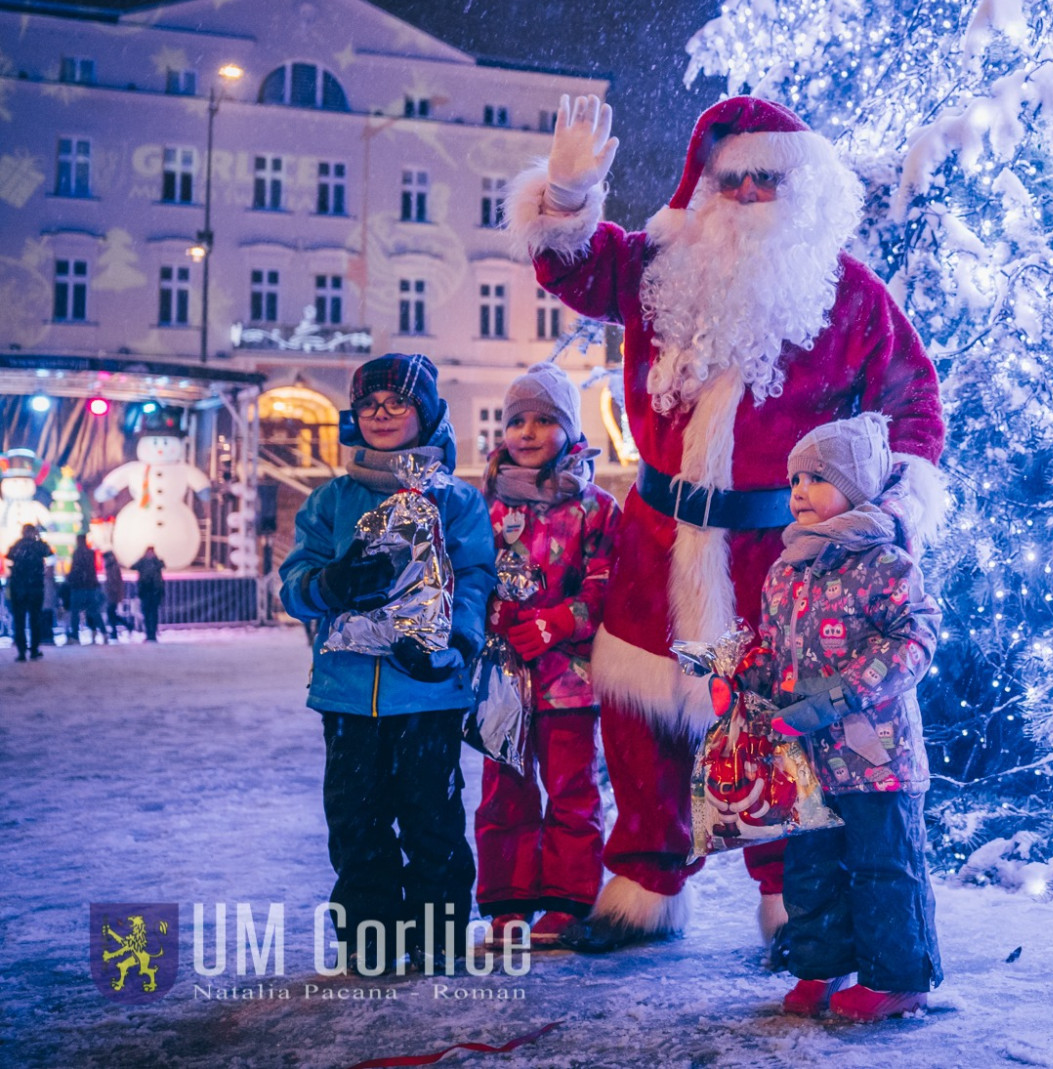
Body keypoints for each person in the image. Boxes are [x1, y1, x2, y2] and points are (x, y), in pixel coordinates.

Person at [507, 94, 947, 951]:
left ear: (803, 188)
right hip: (656, 538)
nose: (746, 194)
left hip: (774, 554)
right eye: (730, 177)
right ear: (703, 185)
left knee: (770, 727)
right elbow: (572, 267)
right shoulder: (660, 266)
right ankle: (642, 886)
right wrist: (565, 192)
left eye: (766, 178)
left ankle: (792, 906)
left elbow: (912, 402)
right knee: (641, 727)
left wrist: (891, 504)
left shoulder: (848, 294)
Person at [717, 415, 943, 1021]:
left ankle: (898, 979)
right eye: (794, 478)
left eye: (816, 477)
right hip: (809, 762)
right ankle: (820, 965)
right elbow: (771, 648)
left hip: (877, 759)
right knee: (812, 870)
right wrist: (740, 680)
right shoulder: (785, 571)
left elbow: (914, 641)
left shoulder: (885, 562)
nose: (797, 491)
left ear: (858, 484)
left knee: (883, 869)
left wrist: (843, 695)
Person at [280, 353, 497, 975]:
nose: (380, 413)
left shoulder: (456, 503)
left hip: (427, 690)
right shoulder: (329, 502)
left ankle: (438, 933)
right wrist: (331, 582)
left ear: (424, 414)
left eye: (396, 402)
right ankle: (369, 937)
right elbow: (293, 584)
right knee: (356, 818)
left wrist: (455, 644)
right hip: (348, 694)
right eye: (368, 403)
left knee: (431, 815)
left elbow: (475, 578)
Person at [476, 363, 616, 949]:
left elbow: (610, 584)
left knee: (571, 789)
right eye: (516, 421)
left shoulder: (595, 508)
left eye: (544, 420)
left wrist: (561, 622)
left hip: (569, 680)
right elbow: (465, 580)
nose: (527, 433)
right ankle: (509, 903)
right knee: (503, 791)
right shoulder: (481, 507)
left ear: (570, 430)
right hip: (502, 681)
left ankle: (568, 899)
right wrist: (497, 617)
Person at [7, 524, 50, 661]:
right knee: (35, 620)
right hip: (35, 588)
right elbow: (48, 551)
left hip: (18, 588)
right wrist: (39, 538)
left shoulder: (18, 546)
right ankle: (34, 650)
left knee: (19, 621)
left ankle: (21, 652)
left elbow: (10, 557)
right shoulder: (37, 546)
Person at [65, 545, 107, 644]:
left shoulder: (77, 555)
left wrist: (71, 580)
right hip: (89, 588)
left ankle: (75, 635)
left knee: (75, 613)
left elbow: (74, 571)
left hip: (79, 588)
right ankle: (103, 632)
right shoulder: (90, 555)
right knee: (94, 612)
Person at [133, 547, 167, 643]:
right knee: (151, 614)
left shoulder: (145, 563)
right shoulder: (155, 563)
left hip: (148, 592)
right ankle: (151, 634)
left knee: (149, 613)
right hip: (151, 592)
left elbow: (133, 566)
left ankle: (150, 634)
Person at [102, 549, 124, 641]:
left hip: (112, 594)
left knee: (110, 613)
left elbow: (113, 581)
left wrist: (112, 591)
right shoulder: (113, 566)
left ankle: (115, 631)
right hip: (113, 593)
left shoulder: (111, 567)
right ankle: (117, 630)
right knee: (112, 613)